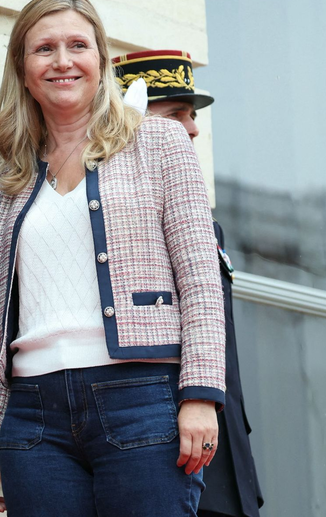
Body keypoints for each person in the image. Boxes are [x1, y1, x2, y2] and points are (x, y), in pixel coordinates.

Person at [0, 0, 226, 516]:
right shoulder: (8, 181)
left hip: (142, 398)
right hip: (33, 416)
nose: (62, 61)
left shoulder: (160, 142)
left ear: (102, 61)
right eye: (44, 49)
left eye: (78, 45)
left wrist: (201, 394)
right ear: (22, 70)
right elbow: (2, 318)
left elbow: (200, 280)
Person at [113, 50, 264, 517]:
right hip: (161, 448)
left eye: (192, 115)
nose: (193, 129)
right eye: (176, 114)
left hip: (219, 448)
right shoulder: (120, 224)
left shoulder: (204, 224)